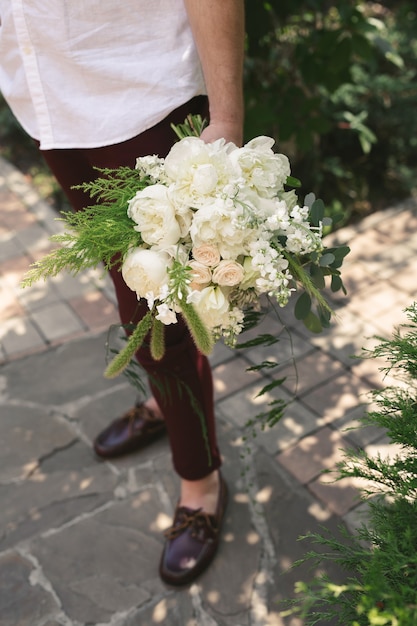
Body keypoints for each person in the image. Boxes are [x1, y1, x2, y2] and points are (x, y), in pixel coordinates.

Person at [0, 0, 245, 585]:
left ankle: (201, 483)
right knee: (135, 289)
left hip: (141, 92)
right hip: (47, 97)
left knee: (159, 317)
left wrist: (228, 120)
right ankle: (167, 405)